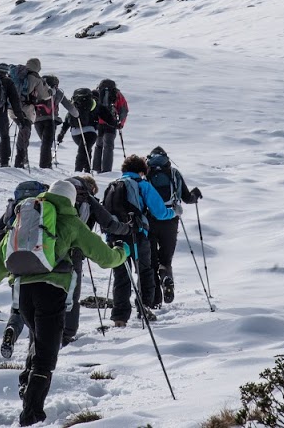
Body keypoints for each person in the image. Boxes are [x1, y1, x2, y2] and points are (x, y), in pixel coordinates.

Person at [0, 179, 129, 426]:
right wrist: (123, 252)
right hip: (51, 292)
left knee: (38, 343)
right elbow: (105, 258)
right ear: (71, 198)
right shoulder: (71, 221)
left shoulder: (29, 213)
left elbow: (1, 256)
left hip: (23, 292)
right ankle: (31, 414)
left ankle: (27, 387)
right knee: (46, 356)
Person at [103, 154, 174, 327]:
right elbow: (160, 212)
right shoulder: (142, 185)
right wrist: (174, 212)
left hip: (115, 237)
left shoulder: (112, 186)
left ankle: (119, 317)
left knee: (121, 275)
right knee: (144, 272)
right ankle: (144, 308)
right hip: (137, 235)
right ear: (142, 171)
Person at [62, 174, 130, 345]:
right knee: (72, 294)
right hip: (73, 252)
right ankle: (67, 334)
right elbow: (109, 223)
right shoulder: (87, 198)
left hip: (46, 249)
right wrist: (127, 229)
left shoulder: (57, 193)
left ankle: (40, 332)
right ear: (90, 188)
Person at [0, 180, 50, 360]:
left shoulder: (15, 208)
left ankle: (11, 331)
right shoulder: (43, 207)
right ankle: (34, 350)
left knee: (18, 309)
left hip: (16, 267)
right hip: (40, 266)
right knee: (39, 312)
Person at [144, 146, 202, 305]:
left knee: (151, 262)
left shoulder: (146, 173)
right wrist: (195, 195)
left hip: (149, 220)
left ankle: (155, 301)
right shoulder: (174, 173)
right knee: (166, 260)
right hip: (171, 220)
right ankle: (166, 279)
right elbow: (187, 198)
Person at [11, 59, 52, 169]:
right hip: (25, 110)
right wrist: (50, 92)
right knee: (25, 131)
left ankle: (21, 159)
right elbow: (44, 96)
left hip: (11, 109)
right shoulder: (35, 77)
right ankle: (20, 161)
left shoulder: (17, 73)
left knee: (21, 130)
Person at [34, 74, 78, 169]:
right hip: (51, 119)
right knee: (47, 142)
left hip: (37, 119)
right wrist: (77, 114)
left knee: (45, 142)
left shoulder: (37, 89)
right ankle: (45, 165)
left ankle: (46, 163)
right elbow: (69, 106)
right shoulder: (57, 92)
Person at [57, 88, 99, 173]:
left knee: (85, 149)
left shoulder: (76, 104)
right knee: (84, 150)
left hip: (75, 133)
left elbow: (67, 121)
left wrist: (62, 133)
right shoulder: (93, 104)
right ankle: (79, 171)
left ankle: (85, 170)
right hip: (90, 131)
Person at [92, 78, 129, 174]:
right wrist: (121, 123)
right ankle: (107, 170)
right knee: (108, 146)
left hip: (98, 123)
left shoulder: (97, 92)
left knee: (98, 145)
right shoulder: (117, 94)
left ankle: (96, 168)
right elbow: (124, 109)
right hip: (112, 123)